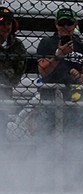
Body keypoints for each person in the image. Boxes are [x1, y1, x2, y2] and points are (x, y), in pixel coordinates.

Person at [35, 6, 83, 136]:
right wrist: (59, 54)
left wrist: (78, 76)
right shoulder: (46, 42)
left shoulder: (81, 47)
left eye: (69, 23)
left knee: (72, 139)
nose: (65, 27)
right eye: (61, 23)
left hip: (73, 102)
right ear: (56, 24)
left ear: (75, 24)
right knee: (46, 139)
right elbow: (43, 72)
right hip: (49, 100)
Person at [0, 6, 26, 143]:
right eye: (2, 24)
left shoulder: (17, 45)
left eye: (8, 23)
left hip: (4, 92)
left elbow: (17, 74)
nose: (6, 27)